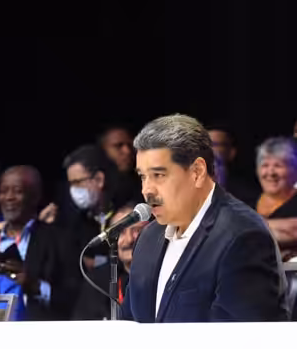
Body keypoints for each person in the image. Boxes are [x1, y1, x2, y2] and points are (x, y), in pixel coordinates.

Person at [121, 114, 288, 322]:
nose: (147, 190)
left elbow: (242, 343)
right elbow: (129, 323)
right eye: (143, 177)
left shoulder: (242, 235)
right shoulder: (148, 237)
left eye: (159, 175)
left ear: (197, 172)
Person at [0, 166, 73, 321]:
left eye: (17, 191)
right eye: (4, 191)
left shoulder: (59, 239)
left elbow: (74, 296)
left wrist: (35, 286)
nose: (9, 197)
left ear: (35, 196)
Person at [72, 203, 148, 320]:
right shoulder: (97, 280)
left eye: (136, 230)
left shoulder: (163, 273)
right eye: (120, 233)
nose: (128, 240)